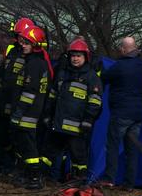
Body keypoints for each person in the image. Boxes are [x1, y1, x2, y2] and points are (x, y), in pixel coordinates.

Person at [42, 38, 102, 182]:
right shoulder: (63, 73)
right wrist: (48, 114)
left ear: (85, 57)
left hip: (78, 127)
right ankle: (44, 179)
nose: (75, 59)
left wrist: (88, 120)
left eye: (78, 56)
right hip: (58, 124)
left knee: (78, 157)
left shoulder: (91, 77)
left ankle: (78, 184)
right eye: (73, 55)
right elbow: (52, 95)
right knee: (48, 154)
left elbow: (95, 101)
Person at [9, 25, 53, 189]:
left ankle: (35, 177)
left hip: (28, 112)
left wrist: (18, 112)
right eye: (23, 42)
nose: (23, 45)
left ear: (35, 45)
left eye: (27, 43)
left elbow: (29, 91)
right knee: (23, 143)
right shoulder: (35, 62)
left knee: (28, 145)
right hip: (30, 111)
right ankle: (26, 174)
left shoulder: (34, 64)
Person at [101, 36, 142, 190]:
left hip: (121, 113)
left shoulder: (119, 66)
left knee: (113, 147)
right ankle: (129, 184)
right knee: (131, 151)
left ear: (124, 49)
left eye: (121, 47)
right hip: (137, 115)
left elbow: (104, 78)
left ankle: (109, 179)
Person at [0, 17, 34, 176]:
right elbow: (3, 73)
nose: (18, 40)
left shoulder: (32, 56)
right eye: (17, 36)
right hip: (3, 99)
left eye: (21, 37)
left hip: (17, 103)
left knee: (14, 136)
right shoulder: (12, 50)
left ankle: (12, 166)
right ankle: (4, 163)